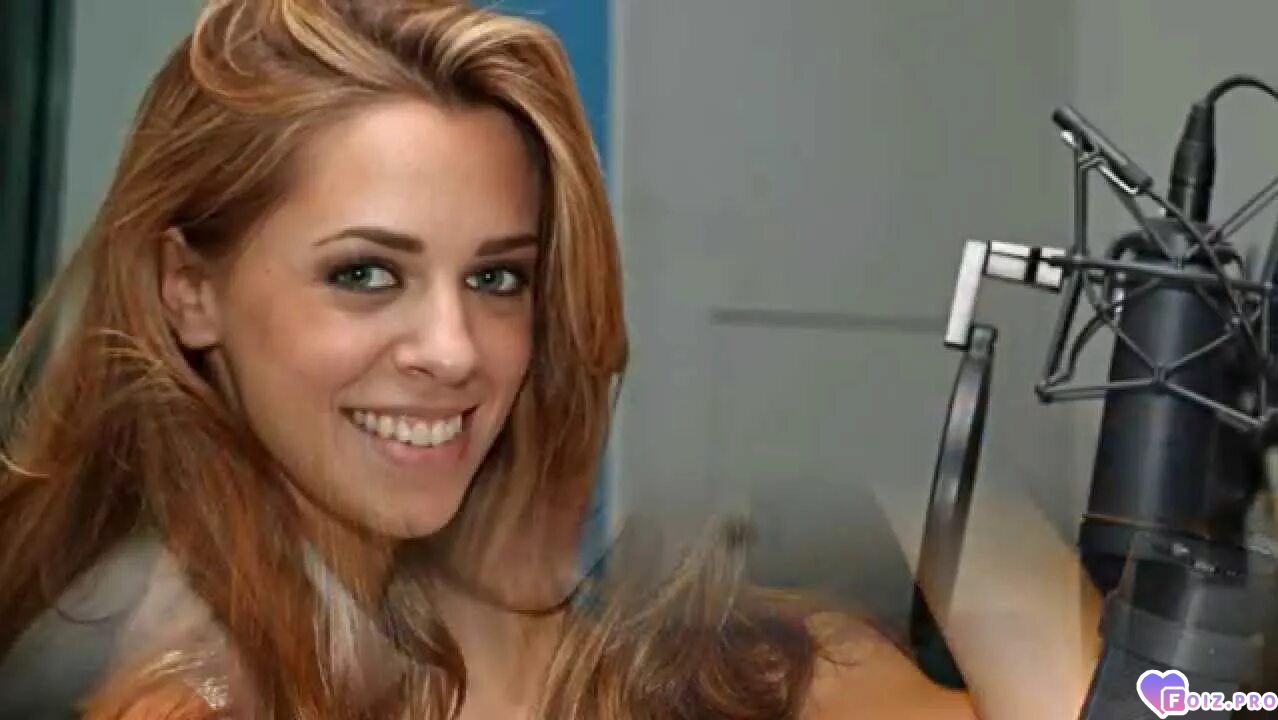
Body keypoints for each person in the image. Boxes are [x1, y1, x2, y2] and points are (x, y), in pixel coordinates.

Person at [0, 1, 1097, 717]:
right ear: (189, 290)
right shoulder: (174, 680)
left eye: (496, 279)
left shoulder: (676, 661)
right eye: (365, 273)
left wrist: (912, 396)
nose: (453, 352)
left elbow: (1128, 702)